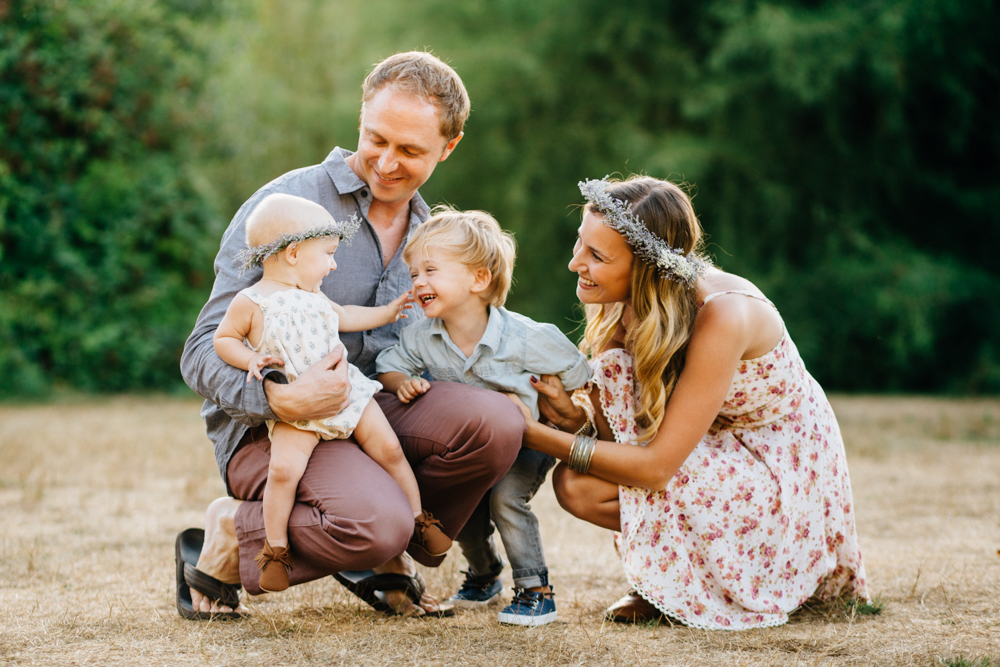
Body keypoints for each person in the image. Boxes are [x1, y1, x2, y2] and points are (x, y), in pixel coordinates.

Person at [178, 51, 524, 619]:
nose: (386, 163)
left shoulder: (433, 235)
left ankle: (387, 541)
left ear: (449, 146)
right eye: (376, 138)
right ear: (360, 117)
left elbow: (439, 352)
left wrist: (531, 383)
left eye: (410, 150)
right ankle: (231, 533)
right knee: (375, 524)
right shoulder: (285, 207)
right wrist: (278, 394)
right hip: (275, 429)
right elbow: (200, 352)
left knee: (498, 422)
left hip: (369, 410)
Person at [509, 175, 869, 630]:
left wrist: (535, 434)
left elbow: (656, 466)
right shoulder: (630, 302)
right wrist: (569, 416)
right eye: (580, 243)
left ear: (646, 267)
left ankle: (702, 581)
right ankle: (676, 581)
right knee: (579, 484)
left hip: (777, 461)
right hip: (711, 443)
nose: (573, 263)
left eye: (596, 256)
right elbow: (619, 435)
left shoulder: (724, 314)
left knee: (582, 485)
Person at [212, 193, 451, 593]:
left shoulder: (315, 296)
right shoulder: (251, 301)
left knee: (389, 449)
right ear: (293, 253)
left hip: (348, 390)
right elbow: (223, 339)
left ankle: (418, 520)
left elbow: (348, 317)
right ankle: (275, 550)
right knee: (284, 471)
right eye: (327, 253)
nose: (333, 263)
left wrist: (389, 312)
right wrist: (247, 360)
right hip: (298, 403)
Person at [375, 208, 591, 626]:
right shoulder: (423, 335)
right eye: (414, 272)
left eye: (431, 270)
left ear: (478, 279)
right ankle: (483, 574)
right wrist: (401, 381)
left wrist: (562, 405)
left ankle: (535, 590)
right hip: (476, 446)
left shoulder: (528, 338)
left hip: (531, 440)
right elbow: (389, 364)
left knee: (506, 498)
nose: (418, 282)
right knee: (465, 502)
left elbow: (582, 373)